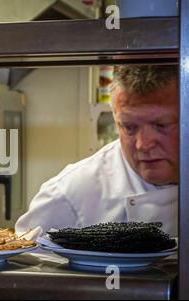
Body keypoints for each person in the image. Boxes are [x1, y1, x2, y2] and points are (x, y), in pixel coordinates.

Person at [15, 65, 179, 237]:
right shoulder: (71, 193)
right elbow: (25, 258)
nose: (143, 145)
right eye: (129, 127)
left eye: (161, 125)